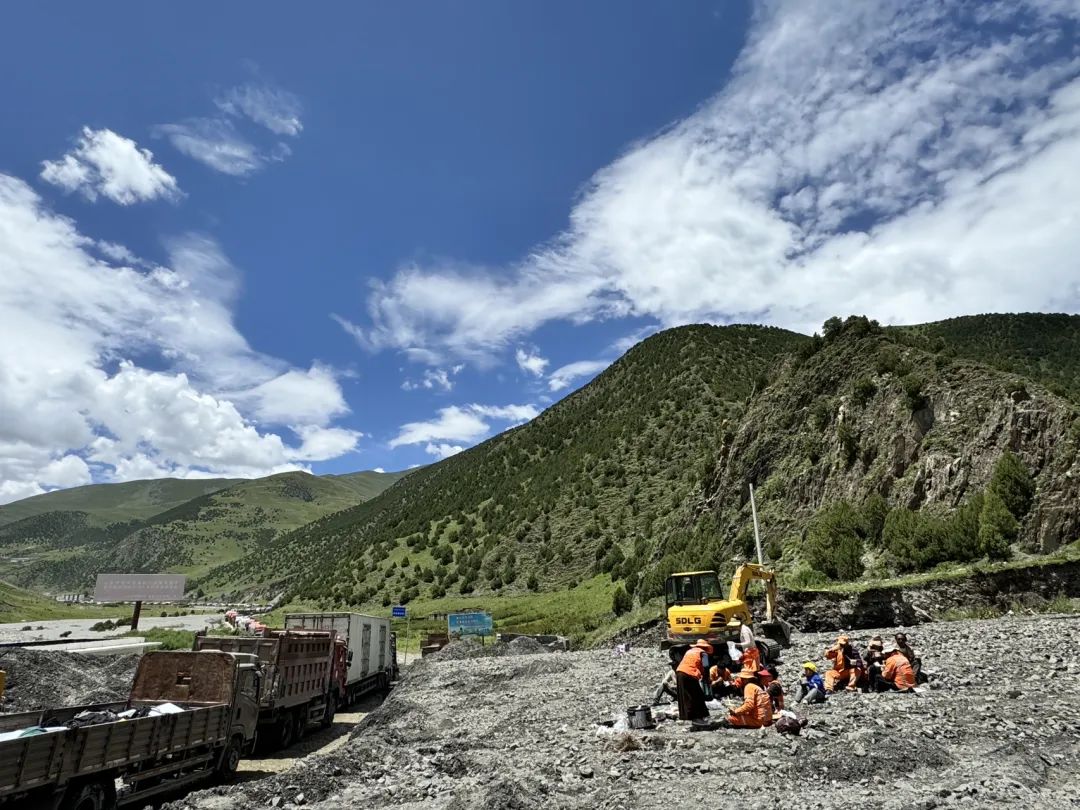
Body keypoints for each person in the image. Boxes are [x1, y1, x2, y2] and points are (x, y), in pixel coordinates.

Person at [675, 640, 713, 722]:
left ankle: (690, 717)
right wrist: (707, 679)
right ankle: (698, 718)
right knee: (697, 696)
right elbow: (706, 667)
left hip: (679, 673)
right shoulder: (703, 654)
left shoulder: (690, 651)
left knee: (686, 697)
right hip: (689, 674)